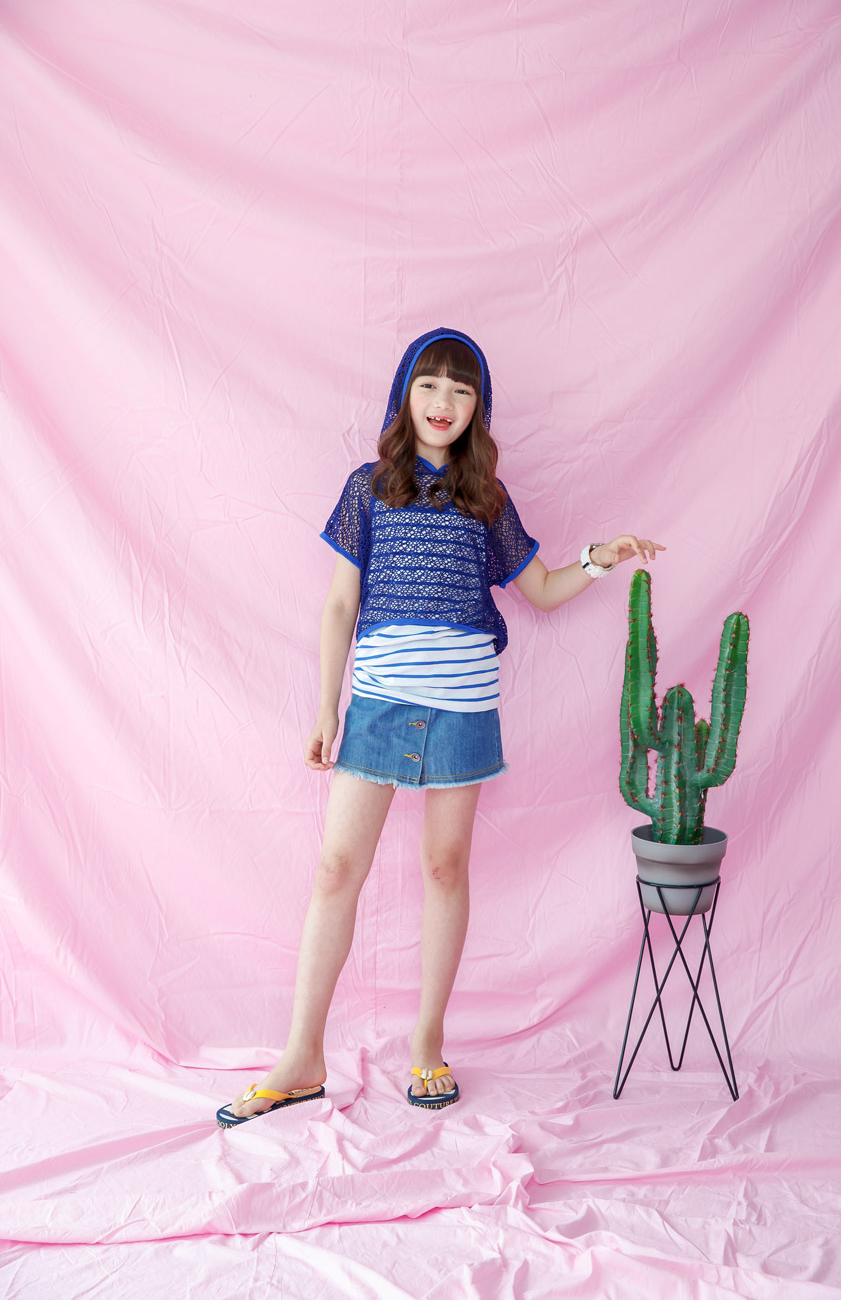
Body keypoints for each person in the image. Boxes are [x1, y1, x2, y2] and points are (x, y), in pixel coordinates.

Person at [216, 328, 665, 1127]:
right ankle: (302, 1058)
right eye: (430, 385)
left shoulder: (487, 496)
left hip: (464, 709)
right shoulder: (368, 488)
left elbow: (542, 589)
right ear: (406, 395)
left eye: (462, 390)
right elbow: (340, 605)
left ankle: (428, 1043)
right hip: (377, 706)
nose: (444, 402)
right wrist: (326, 708)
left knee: (445, 869)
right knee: (335, 870)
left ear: (477, 409)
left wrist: (602, 556)